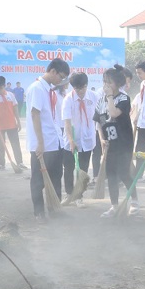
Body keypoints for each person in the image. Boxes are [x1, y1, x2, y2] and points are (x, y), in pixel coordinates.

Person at [26, 58, 70, 222]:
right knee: (38, 180)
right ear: (52, 71)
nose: (61, 80)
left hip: (55, 141)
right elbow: (35, 114)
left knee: (56, 177)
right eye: (61, 76)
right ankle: (39, 213)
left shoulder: (50, 90)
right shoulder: (37, 88)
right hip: (42, 144)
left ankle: (55, 208)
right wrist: (40, 142)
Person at [96, 65, 139, 218]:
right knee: (111, 175)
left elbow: (113, 113)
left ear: (118, 84)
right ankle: (114, 206)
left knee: (123, 173)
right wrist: (101, 138)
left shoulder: (123, 98)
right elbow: (99, 122)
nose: (106, 85)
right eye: (104, 82)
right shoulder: (100, 100)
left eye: (109, 82)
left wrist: (109, 97)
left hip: (124, 143)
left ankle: (134, 201)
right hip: (110, 145)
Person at [62, 72, 98, 207]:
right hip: (71, 141)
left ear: (86, 85)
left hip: (88, 140)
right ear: (73, 87)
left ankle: (79, 196)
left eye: (83, 87)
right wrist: (71, 140)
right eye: (77, 89)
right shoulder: (68, 99)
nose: (81, 91)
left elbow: (99, 117)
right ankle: (69, 194)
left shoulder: (93, 97)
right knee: (69, 168)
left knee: (82, 170)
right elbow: (67, 122)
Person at [0, 76, 25, 170]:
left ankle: (20, 162)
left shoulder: (11, 95)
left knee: (15, 144)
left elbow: (15, 108)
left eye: (1, 88)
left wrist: (18, 121)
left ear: (4, 86)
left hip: (12, 124)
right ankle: (1, 164)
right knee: (0, 145)